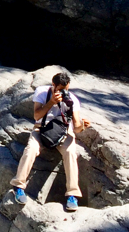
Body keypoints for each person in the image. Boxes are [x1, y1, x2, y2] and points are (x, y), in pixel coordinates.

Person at [10, 72, 90, 211]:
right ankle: (18, 186)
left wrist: (82, 126)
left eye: (66, 89)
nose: (64, 92)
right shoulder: (42, 92)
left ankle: (73, 195)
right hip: (42, 128)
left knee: (71, 153)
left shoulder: (72, 100)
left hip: (63, 132)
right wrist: (51, 102)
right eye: (60, 89)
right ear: (53, 85)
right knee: (31, 150)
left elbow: (76, 127)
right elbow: (37, 115)